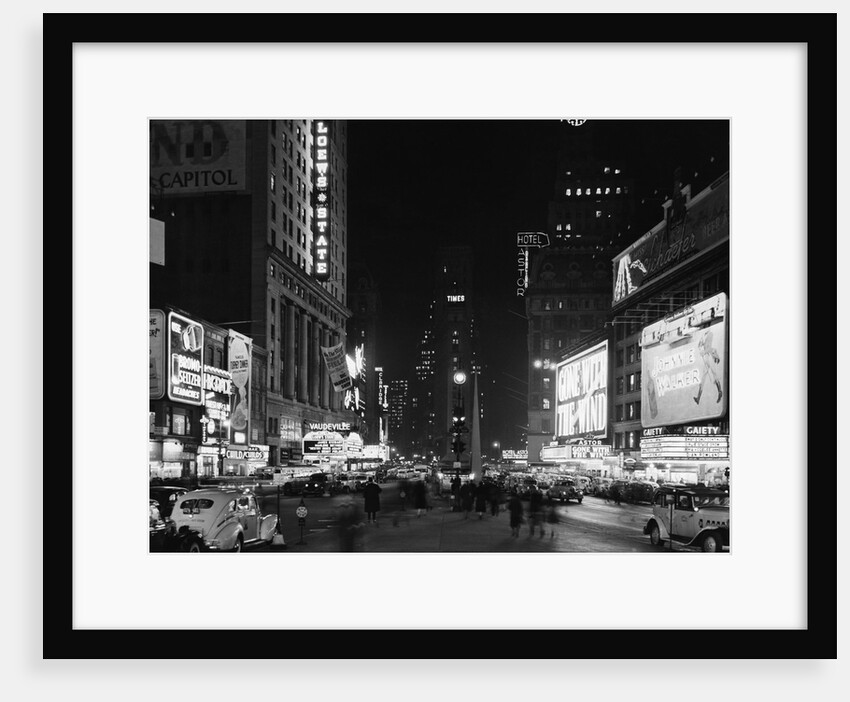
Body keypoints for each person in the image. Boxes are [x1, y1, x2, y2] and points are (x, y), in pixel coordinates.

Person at [693, 328, 723, 405]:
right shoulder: (704, 335)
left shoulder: (710, 334)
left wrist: (703, 351)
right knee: (703, 377)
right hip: (706, 358)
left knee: (714, 374)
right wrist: (700, 345)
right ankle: (698, 398)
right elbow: (700, 344)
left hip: (709, 356)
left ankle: (720, 392)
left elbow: (708, 347)